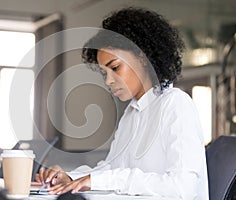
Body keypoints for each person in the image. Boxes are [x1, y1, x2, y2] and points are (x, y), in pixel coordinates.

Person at [33, 7, 209, 199]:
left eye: (115, 68)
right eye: (104, 73)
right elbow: (112, 168)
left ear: (142, 56)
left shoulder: (176, 104)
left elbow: (182, 188)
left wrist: (102, 180)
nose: (108, 81)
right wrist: (70, 177)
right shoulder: (132, 113)